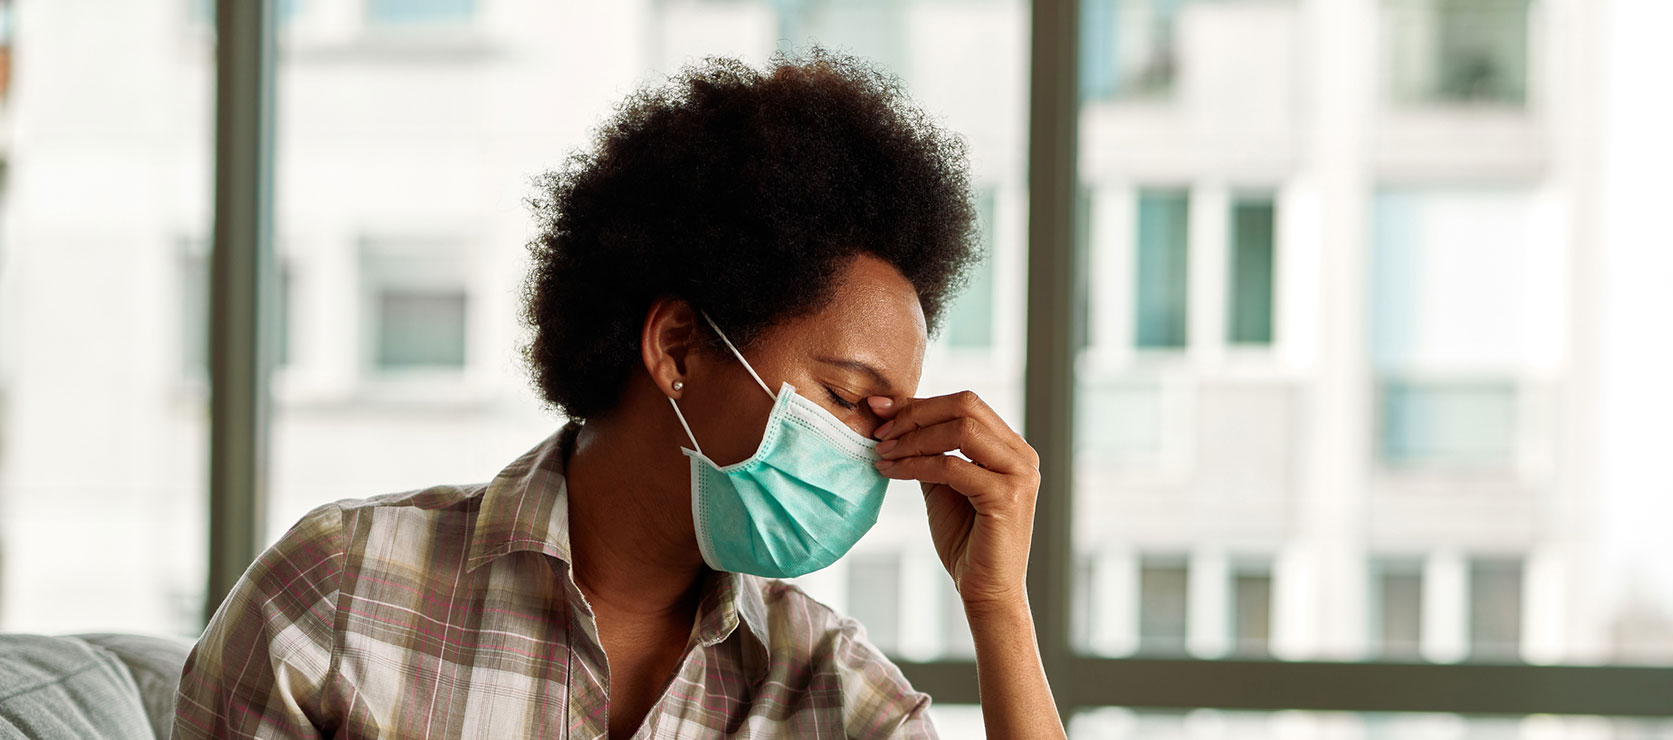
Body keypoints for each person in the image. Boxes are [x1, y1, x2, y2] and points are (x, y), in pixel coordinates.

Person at [172, 50, 1065, 739]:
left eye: (892, 417)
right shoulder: (338, 596)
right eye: (844, 395)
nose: (876, 454)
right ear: (678, 348)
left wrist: (999, 608)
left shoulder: (829, 688)